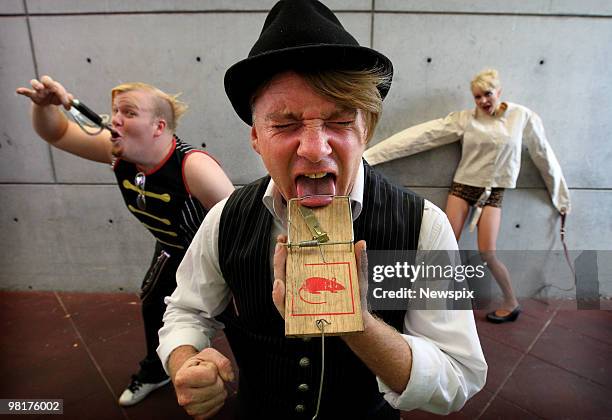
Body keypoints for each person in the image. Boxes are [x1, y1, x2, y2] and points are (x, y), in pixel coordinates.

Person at [157, 1, 487, 419]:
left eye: (339, 121)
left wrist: (357, 324)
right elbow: (186, 308)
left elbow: (458, 377)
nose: (314, 149)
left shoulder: (423, 226)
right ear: (256, 137)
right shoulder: (226, 218)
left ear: (365, 128)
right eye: (285, 124)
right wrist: (185, 360)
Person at [16, 77, 235, 406]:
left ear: (158, 126)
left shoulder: (195, 168)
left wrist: (234, 280)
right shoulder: (118, 154)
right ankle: (157, 370)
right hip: (171, 248)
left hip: (217, 255)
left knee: (239, 318)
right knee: (153, 305)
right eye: (114, 110)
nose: (114, 118)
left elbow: (239, 227)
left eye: (128, 112)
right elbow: (56, 132)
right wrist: (43, 105)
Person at [364, 68, 571, 323]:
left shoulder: (522, 116)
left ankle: (511, 301)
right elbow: (420, 137)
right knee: (444, 248)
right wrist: (367, 157)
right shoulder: (465, 119)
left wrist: (561, 199)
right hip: (463, 188)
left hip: (493, 193)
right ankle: (433, 304)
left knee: (488, 253)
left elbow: (543, 155)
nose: (483, 101)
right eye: (477, 97)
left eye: (487, 94)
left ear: (499, 92)